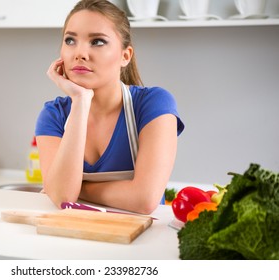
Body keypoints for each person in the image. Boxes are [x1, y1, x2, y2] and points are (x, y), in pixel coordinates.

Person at [35, 0, 184, 214]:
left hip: (141, 240)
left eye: (97, 41)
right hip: (75, 236)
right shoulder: (54, 115)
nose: (80, 53)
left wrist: (79, 189)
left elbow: (145, 200)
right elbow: (62, 198)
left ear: (125, 56)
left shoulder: (154, 104)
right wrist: (80, 101)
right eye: (70, 40)